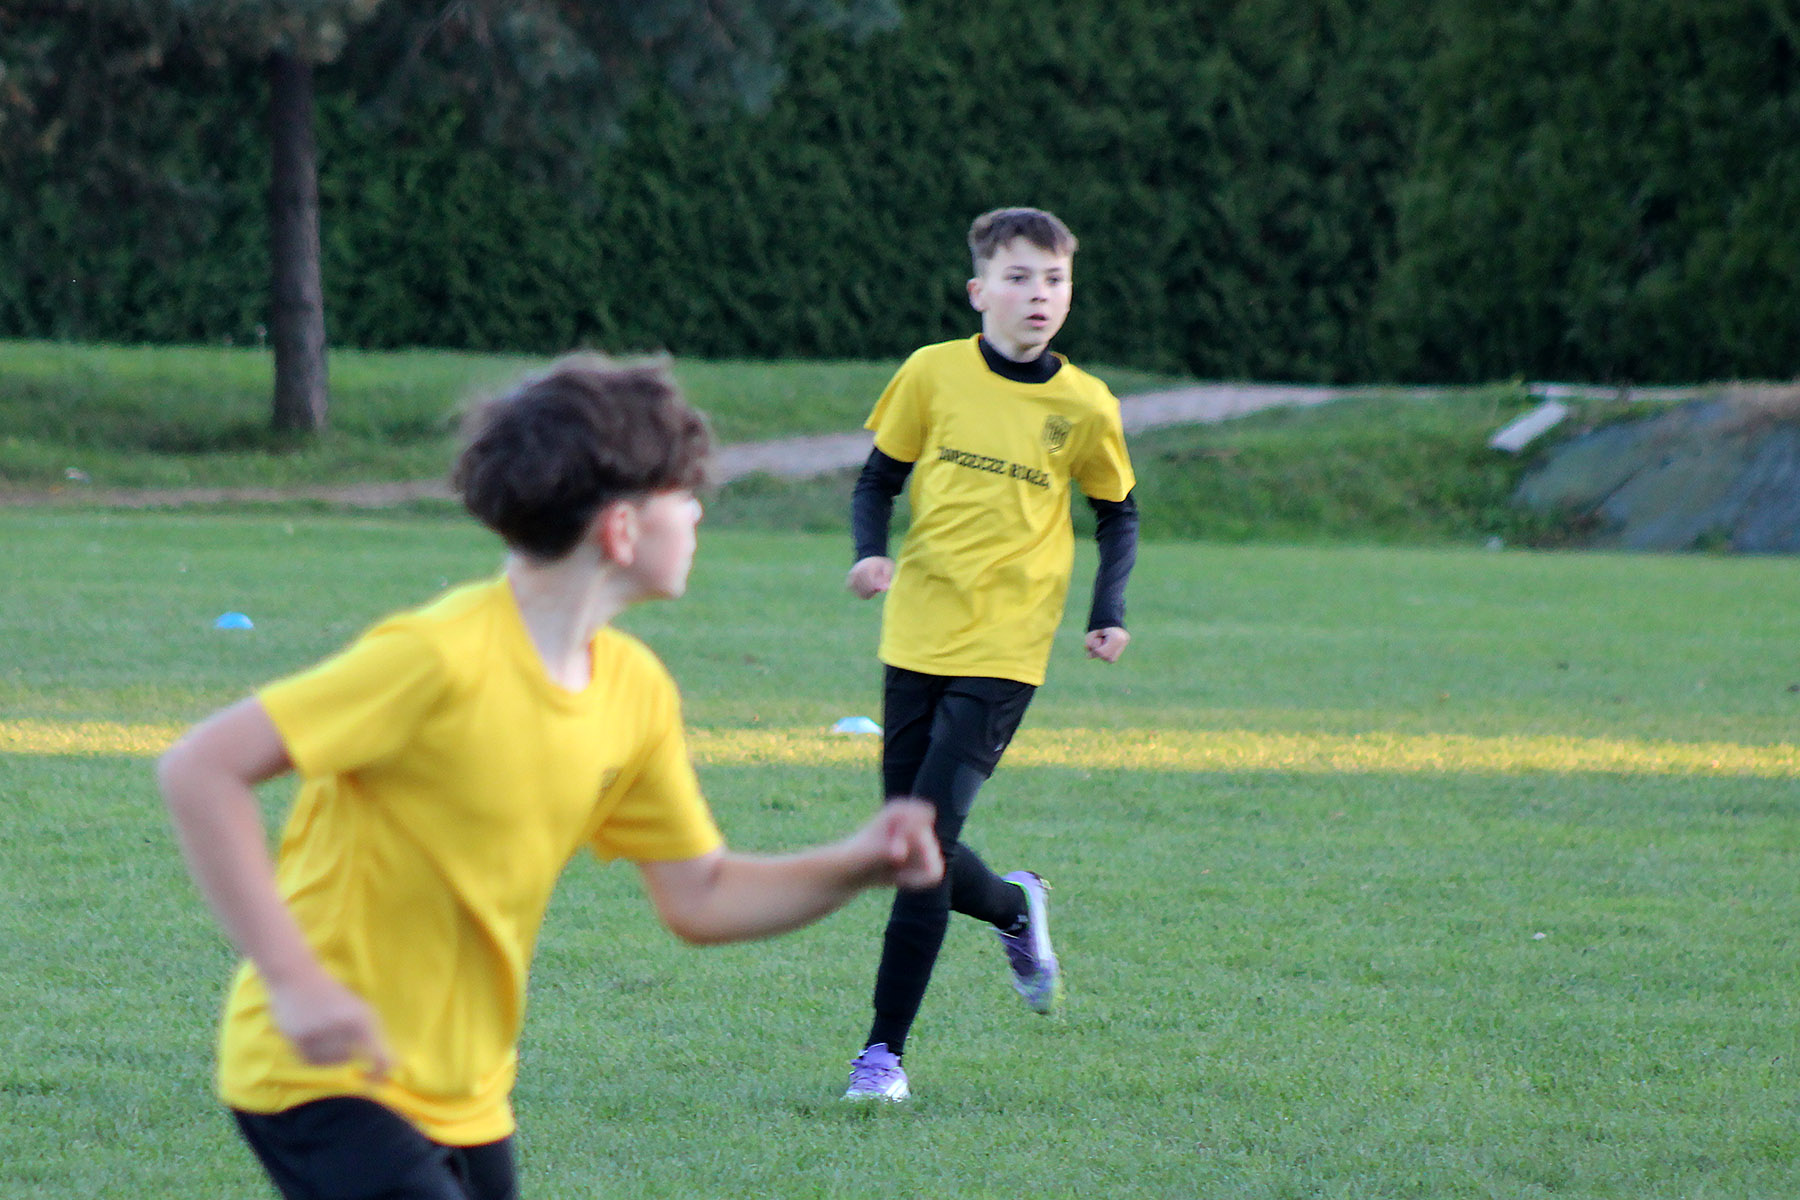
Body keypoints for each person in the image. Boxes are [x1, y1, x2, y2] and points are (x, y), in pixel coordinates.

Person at [157, 355, 943, 1200]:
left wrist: (855, 865)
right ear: (620, 530)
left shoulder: (634, 690)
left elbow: (703, 896)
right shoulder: (438, 657)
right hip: (321, 1072)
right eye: (682, 492)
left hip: (467, 1092)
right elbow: (201, 768)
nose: (698, 510)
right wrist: (296, 984)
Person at [840, 207, 1140, 1101]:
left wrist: (1108, 611)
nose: (1037, 295)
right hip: (917, 633)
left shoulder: (1085, 405)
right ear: (979, 291)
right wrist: (869, 553)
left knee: (921, 847)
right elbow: (877, 480)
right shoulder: (930, 373)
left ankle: (882, 1058)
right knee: (907, 844)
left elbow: (1117, 513)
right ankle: (1015, 907)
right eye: (1018, 278)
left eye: (1054, 280)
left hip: (1007, 649)